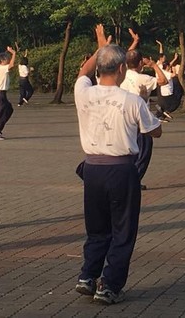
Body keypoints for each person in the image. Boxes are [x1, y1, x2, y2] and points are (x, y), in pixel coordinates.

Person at [73, 24, 162, 305]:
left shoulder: (83, 92)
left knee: (97, 228)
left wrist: (101, 48)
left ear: (100, 67)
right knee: (123, 230)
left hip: (93, 169)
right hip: (122, 169)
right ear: (122, 69)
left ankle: (88, 276)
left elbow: (82, 73)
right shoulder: (132, 100)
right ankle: (109, 285)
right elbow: (154, 131)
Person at [120, 29, 168, 190]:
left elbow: (128, 55)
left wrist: (135, 41)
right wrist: (154, 64)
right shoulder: (144, 78)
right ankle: (132, 181)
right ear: (141, 63)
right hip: (140, 119)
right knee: (144, 152)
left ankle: (130, 180)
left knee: (131, 152)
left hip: (123, 117)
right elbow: (163, 81)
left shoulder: (123, 74)